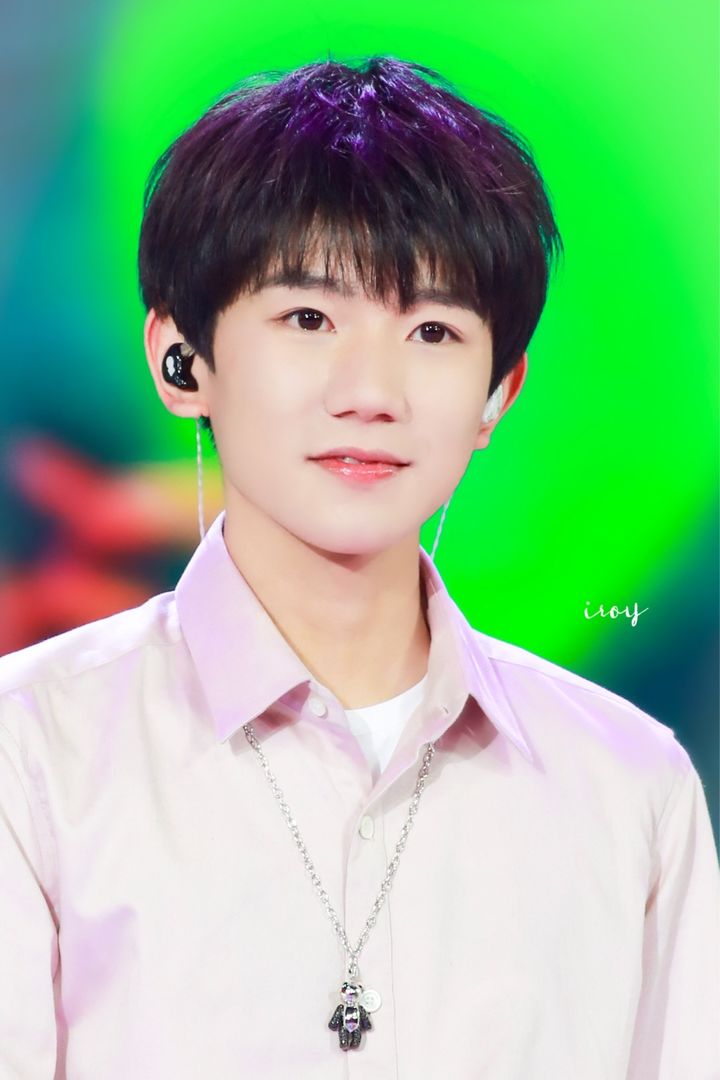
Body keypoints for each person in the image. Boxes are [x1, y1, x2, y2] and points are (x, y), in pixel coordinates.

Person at [1, 55, 718, 1078]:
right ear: (181, 359)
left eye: (432, 330)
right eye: (309, 319)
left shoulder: (629, 787)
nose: (371, 392)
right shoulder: (33, 753)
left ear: (498, 394)